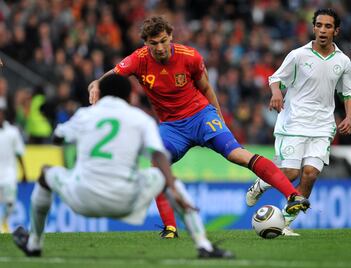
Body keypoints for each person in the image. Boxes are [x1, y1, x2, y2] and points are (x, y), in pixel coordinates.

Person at [88, 16, 310, 238]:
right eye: (153, 43)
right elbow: (112, 76)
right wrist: (98, 83)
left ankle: (293, 196)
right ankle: (170, 229)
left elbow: (206, 89)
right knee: (157, 168)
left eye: (163, 41)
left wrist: (219, 119)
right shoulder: (139, 59)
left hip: (201, 116)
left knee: (238, 155)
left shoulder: (190, 57)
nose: (159, 47)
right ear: (146, 43)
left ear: (171, 37)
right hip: (172, 127)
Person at [12, 74, 234, 259]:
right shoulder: (139, 119)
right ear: (129, 95)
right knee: (164, 177)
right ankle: (203, 245)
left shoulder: (85, 115)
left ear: (103, 94)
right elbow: (158, 155)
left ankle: (34, 244)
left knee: (46, 174)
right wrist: (172, 186)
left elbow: (58, 139)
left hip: (83, 197)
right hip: (126, 200)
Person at [246, 8, 351, 236]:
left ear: (336, 30)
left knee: (310, 174)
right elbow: (275, 78)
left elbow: (348, 93)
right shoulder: (298, 55)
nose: (322, 30)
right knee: (290, 173)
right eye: (319, 25)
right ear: (313, 27)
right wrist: (276, 93)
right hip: (294, 122)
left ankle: (285, 222)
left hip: (323, 126)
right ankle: (261, 184)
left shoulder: (343, 61)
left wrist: (349, 116)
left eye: (328, 26)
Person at [0, 100, 27, 233]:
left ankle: (4, 222)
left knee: (10, 203)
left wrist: (24, 172)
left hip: (9, 175)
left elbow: (19, 154)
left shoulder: (13, 132)